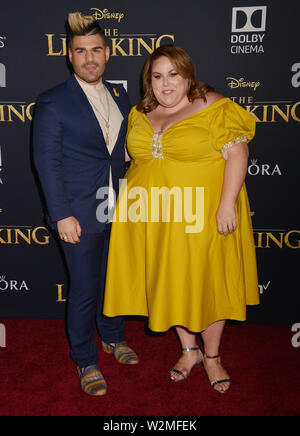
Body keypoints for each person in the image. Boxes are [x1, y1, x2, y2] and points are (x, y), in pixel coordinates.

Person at [103, 45, 259, 394]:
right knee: (172, 280)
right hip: (153, 216)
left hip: (203, 216)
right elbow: (131, 156)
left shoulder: (213, 106)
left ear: (188, 75)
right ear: (149, 81)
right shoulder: (140, 112)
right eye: (157, 76)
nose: (166, 84)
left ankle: (213, 356)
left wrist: (226, 205)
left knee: (209, 282)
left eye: (173, 74)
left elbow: (238, 153)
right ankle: (189, 351)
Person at [33, 12, 138, 397]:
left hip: (116, 205)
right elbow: (47, 162)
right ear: (69, 55)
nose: (89, 58)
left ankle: (113, 336)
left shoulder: (119, 94)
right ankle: (85, 358)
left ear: (108, 53)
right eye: (81, 51)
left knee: (115, 280)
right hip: (77, 211)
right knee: (83, 289)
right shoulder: (53, 101)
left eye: (96, 50)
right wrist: (61, 213)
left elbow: (118, 148)